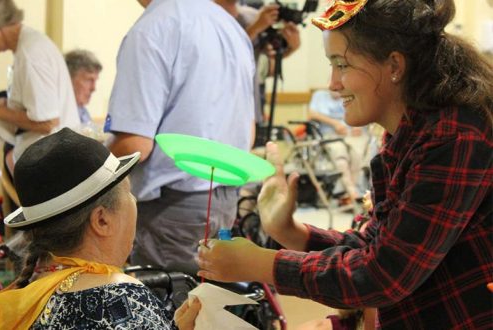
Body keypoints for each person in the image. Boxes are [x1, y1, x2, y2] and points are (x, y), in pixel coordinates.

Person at [197, 0, 493, 328]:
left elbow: (383, 275)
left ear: (394, 65)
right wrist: (289, 231)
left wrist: (262, 264)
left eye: (341, 65)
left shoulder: (454, 135)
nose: (332, 84)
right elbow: (374, 248)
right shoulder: (407, 134)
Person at [0, 128, 200, 329]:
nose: (134, 201)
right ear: (101, 220)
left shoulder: (26, 299)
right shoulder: (123, 301)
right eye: (128, 192)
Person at [105, 0, 255, 275]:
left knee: (171, 311)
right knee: (207, 305)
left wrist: (83, 172)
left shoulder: (152, 29)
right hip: (224, 198)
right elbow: (249, 129)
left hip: (173, 209)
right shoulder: (229, 27)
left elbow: (134, 145)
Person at [0, 0, 80, 175]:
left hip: (52, 165)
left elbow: (47, 122)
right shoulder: (26, 47)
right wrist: (3, 106)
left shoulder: (31, 53)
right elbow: (35, 107)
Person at [214, 0, 301, 123]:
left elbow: (265, 68)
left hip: (251, 112)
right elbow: (221, 58)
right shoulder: (204, 17)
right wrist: (255, 28)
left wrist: (290, 49)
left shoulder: (251, 16)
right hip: (218, 111)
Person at [307, 89, 371, 201]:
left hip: (349, 135)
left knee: (358, 154)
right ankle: (350, 193)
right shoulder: (319, 96)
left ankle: (357, 191)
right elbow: (312, 114)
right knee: (341, 157)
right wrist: (335, 123)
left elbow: (359, 114)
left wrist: (358, 125)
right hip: (329, 137)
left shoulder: (348, 96)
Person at [65, 49, 102, 124]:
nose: (93, 88)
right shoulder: (56, 114)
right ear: (69, 79)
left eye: (95, 81)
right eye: (88, 80)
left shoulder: (82, 111)